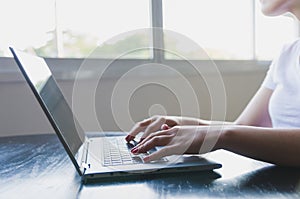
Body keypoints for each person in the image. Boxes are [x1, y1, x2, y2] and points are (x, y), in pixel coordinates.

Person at [125, 0, 300, 167]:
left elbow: (232, 134)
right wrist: (183, 124)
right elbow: (244, 127)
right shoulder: (287, 53)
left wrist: (219, 136)